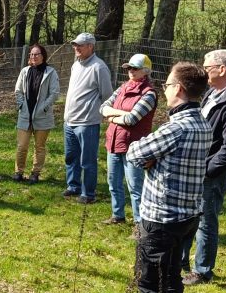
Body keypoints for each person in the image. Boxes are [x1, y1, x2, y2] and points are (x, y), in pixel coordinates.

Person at [113, 62, 212, 293]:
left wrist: (152, 159)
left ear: (179, 89)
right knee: (171, 278)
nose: (164, 90)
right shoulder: (202, 123)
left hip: (162, 219)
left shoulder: (177, 127)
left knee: (154, 284)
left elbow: (134, 153)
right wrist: (154, 158)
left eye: (167, 85)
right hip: (187, 218)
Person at [181, 49, 226, 285]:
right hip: (200, 166)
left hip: (215, 171)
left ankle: (202, 272)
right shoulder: (213, 92)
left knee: (205, 220)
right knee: (190, 215)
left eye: (207, 67)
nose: (203, 71)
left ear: (222, 69)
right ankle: (183, 260)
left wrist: (205, 170)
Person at [101, 53, 157, 225]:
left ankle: (140, 223)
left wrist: (113, 116)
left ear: (145, 71)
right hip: (113, 142)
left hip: (135, 147)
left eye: (135, 68)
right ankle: (117, 215)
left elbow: (132, 119)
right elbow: (103, 108)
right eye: (129, 68)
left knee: (135, 187)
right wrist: (122, 114)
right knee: (113, 183)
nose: (131, 71)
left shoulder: (149, 94)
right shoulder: (122, 88)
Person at [62, 32, 113, 203]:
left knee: (87, 160)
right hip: (69, 121)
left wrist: (99, 113)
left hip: (87, 123)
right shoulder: (76, 65)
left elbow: (107, 95)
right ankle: (73, 186)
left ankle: (88, 193)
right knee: (70, 157)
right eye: (74, 45)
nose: (76, 48)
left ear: (90, 46)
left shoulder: (99, 67)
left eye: (80, 45)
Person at [12, 44, 60, 183]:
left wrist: (44, 107)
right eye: (31, 54)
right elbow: (18, 90)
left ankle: (35, 173)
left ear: (43, 56)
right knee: (22, 146)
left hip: (42, 117)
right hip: (25, 115)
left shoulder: (51, 72)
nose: (33, 57)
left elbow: (54, 94)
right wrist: (21, 105)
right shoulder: (25, 71)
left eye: (36, 54)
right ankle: (18, 172)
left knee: (39, 147)